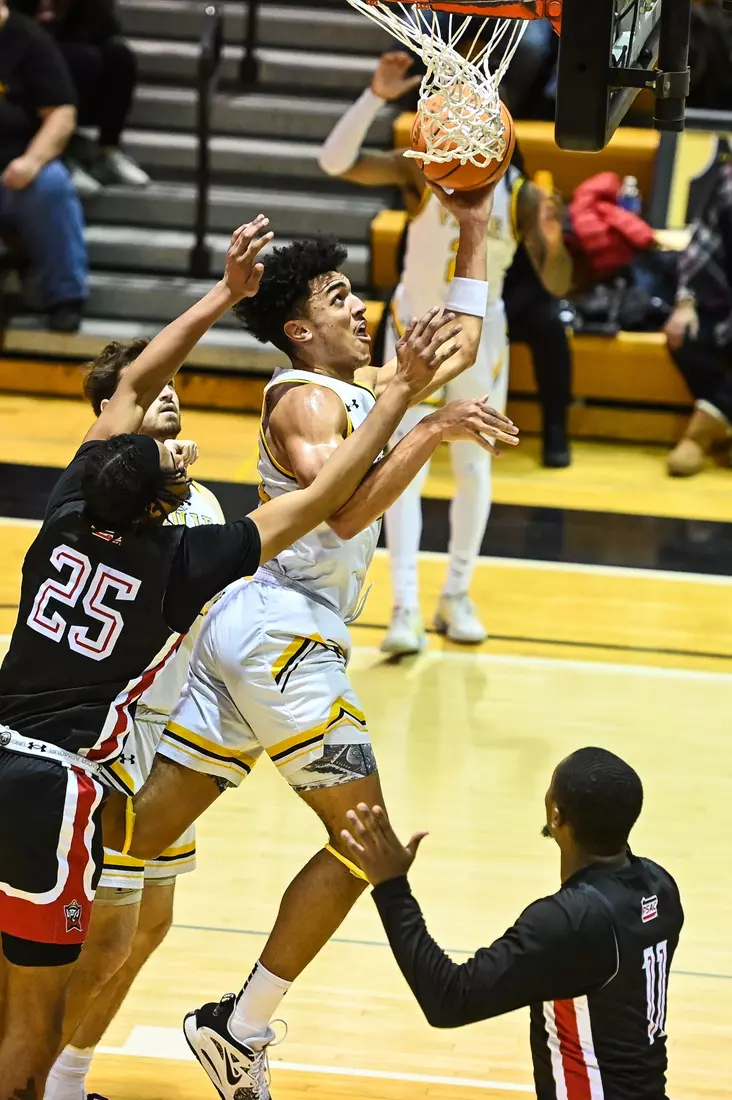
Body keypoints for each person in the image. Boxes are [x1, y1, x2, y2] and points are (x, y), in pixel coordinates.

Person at [0, 213, 471, 1099]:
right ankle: (207, 1034)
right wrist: (411, 407)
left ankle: (67, 1075)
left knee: (120, 894)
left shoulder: (63, 518)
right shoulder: (181, 560)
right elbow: (328, 500)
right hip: (94, 762)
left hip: (17, 745)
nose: (182, 446)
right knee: (356, 842)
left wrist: (227, 297)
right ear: (157, 508)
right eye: (172, 457)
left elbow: (133, 388)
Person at [101, 186, 520, 1100]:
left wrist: (477, 228)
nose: (359, 307)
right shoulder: (301, 399)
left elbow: (450, 342)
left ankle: (38, 927)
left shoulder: (355, 390)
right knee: (363, 843)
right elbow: (340, 510)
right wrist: (432, 425)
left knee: (129, 838)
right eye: (337, 298)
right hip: (284, 638)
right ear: (298, 330)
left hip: (255, 635)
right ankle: (239, 1026)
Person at [318, 51, 572, 653]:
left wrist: (557, 240)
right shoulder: (421, 176)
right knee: (404, 464)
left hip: (482, 343)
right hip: (415, 332)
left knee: (474, 464)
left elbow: (560, 281)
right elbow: (335, 161)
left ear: (500, 132)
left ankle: (456, 594)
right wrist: (376, 96)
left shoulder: (523, 198)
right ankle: (404, 606)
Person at [45, 360, 223, 1100]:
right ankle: (34, 1071)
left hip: (166, 727)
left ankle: (66, 1071)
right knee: (99, 928)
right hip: (104, 732)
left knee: (151, 922)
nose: (172, 396)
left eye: (174, 384)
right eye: (151, 393)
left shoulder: (204, 503)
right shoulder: (98, 500)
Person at [343, 746, 684, 1100]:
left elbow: (448, 999)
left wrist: (391, 887)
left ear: (556, 815)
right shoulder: (660, 887)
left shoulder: (571, 922)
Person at [0, 1, 88, 332]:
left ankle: (66, 297)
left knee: (51, 186)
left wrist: (31, 161)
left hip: (16, 174)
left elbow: (62, 114)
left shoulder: (28, 40)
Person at [9, 0, 149, 193]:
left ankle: (107, 150)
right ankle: (61, 154)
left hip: (75, 66)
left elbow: (107, 28)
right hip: (22, 72)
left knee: (119, 55)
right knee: (80, 59)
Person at [665, 162, 732, 476]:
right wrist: (686, 302)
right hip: (725, 309)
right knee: (684, 336)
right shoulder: (728, 182)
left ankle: (701, 433)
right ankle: (722, 422)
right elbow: (702, 245)